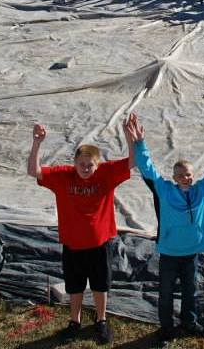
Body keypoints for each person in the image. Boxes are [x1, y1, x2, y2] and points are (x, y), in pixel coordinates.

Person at [126, 114, 204, 343]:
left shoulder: (202, 190)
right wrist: (140, 143)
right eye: (180, 175)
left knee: (191, 291)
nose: (185, 178)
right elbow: (147, 169)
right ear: (174, 177)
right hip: (169, 252)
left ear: (193, 174)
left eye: (188, 174)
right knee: (166, 293)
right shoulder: (164, 190)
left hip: (191, 252)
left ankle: (189, 322)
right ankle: (166, 328)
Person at [26, 121, 136, 345]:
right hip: (73, 244)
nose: (85, 169)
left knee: (100, 284)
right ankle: (74, 321)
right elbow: (33, 171)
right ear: (74, 163)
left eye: (90, 165)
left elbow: (133, 163)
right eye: (81, 164)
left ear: (98, 165)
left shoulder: (106, 174)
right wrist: (37, 143)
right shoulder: (64, 176)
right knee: (74, 285)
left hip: (99, 243)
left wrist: (130, 139)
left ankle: (101, 320)